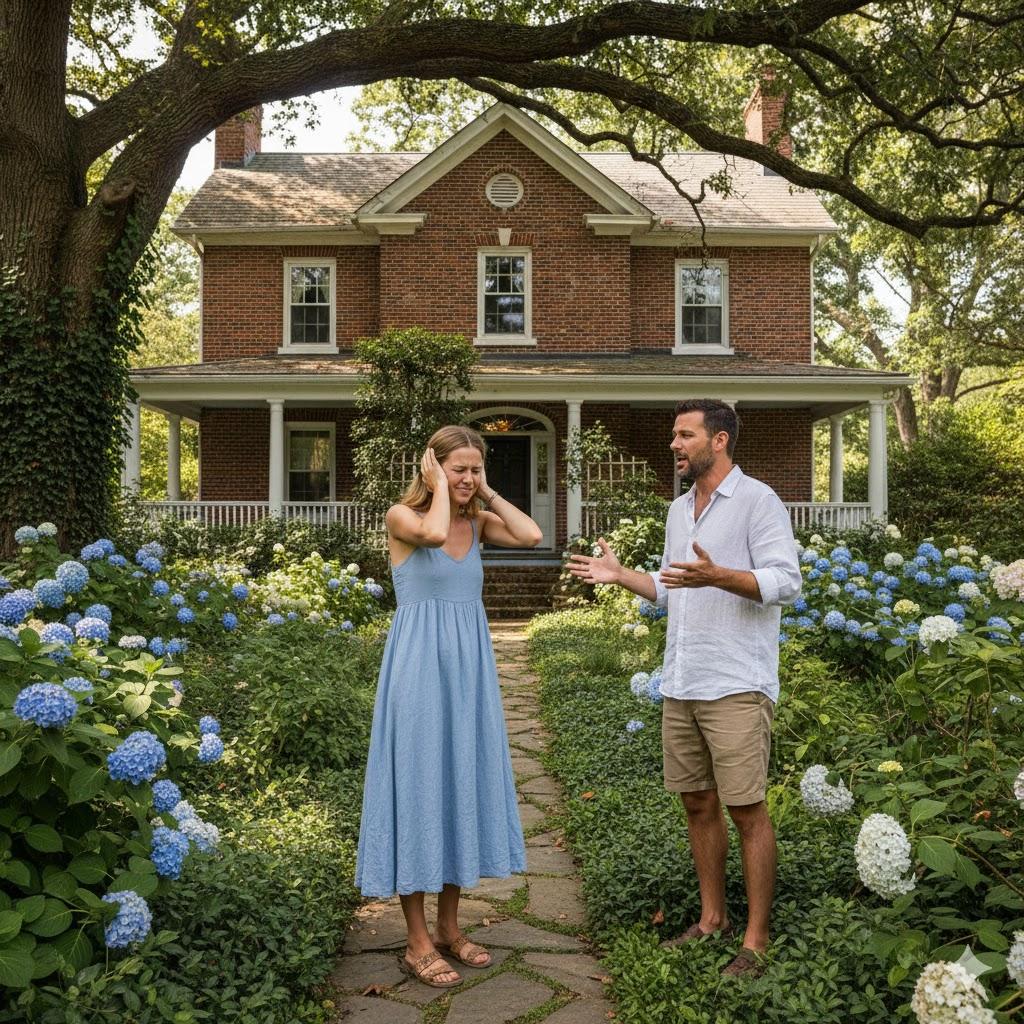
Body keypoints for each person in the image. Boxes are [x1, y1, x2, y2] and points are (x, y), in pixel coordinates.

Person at [567, 399, 800, 978]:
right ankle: (712, 918)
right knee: (697, 804)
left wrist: (721, 574)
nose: (674, 444)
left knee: (747, 809)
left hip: (736, 682)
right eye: (674, 435)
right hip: (683, 679)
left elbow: (786, 580)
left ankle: (756, 940)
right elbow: (675, 590)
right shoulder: (678, 512)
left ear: (719, 440)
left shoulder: (757, 500)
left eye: (685, 435)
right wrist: (623, 577)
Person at [356, 424, 543, 988]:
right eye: (457, 468)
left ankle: (449, 927)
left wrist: (485, 493)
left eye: (474, 468)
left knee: (460, 780)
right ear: (432, 469)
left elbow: (533, 535)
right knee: (418, 788)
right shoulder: (403, 518)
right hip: (417, 671)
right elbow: (434, 536)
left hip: (469, 672)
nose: (467, 478)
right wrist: (440, 488)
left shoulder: (478, 523)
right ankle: (415, 941)